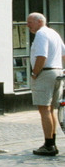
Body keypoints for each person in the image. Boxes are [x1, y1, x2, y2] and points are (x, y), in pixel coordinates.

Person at [26, 12, 65, 156]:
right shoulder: (53, 33)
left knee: (44, 109)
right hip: (57, 72)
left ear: (39, 21)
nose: (27, 25)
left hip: (45, 73)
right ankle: (52, 142)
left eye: (30, 22)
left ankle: (49, 144)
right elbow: (64, 53)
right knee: (51, 109)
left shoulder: (41, 34)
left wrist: (35, 73)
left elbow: (42, 56)